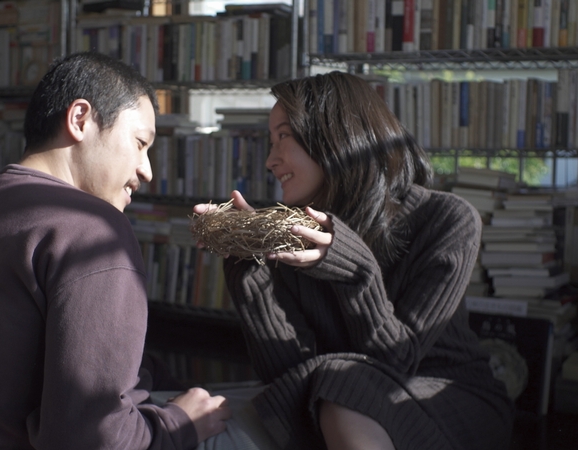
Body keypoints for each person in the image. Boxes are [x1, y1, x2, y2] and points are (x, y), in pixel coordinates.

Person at [0, 52, 231, 449]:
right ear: (80, 119)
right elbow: (92, 439)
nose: (147, 171)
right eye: (140, 143)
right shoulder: (92, 229)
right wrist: (180, 424)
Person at [193, 71, 514, 450]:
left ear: (336, 137)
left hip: (449, 397)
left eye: (284, 137)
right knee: (324, 390)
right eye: (270, 141)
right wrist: (249, 270)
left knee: (341, 388)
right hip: (337, 395)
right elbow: (290, 376)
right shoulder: (296, 233)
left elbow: (397, 361)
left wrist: (355, 271)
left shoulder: (447, 219)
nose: (270, 160)